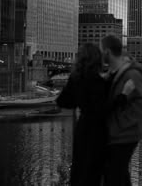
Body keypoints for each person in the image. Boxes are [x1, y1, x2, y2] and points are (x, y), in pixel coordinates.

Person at [100, 35, 142, 186]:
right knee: (118, 175)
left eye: (101, 50)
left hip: (125, 134)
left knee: (114, 174)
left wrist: (120, 123)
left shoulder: (131, 74)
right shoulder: (114, 72)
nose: (100, 54)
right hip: (117, 134)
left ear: (107, 52)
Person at [56, 43, 108, 186]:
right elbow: (105, 108)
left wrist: (79, 100)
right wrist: (123, 95)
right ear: (97, 60)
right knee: (94, 170)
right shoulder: (98, 81)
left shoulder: (75, 78)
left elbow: (63, 101)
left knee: (80, 168)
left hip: (82, 128)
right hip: (98, 131)